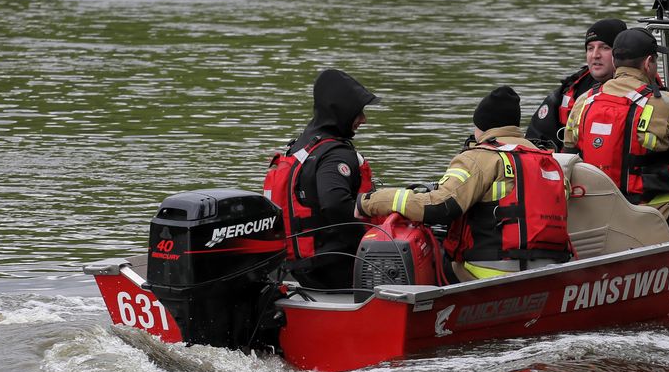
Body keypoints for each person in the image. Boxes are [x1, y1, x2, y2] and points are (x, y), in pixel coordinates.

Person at [359, 86, 571, 281]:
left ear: (482, 126)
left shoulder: (479, 157)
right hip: (548, 269)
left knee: (423, 250)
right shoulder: (548, 160)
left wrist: (370, 202)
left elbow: (439, 206)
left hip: (492, 269)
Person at [563, 28, 669, 240]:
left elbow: (568, 155)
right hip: (651, 212)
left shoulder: (584, 102)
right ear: (648, 63)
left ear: (615, 63)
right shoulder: (667, 104)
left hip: (596, 213)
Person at [263, 68, 378, 290]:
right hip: (333, 270)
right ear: (341, 111)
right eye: (358, 112)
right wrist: (369, 242)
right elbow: (334, 204)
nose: (363, 119)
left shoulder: (299, 146)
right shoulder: (336, 154)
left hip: (296, 266)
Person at [525, 18, 627, 151]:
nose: (595, 55)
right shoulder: (571, 90)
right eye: (590, 48)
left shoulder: (641, 89)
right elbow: (536, 138)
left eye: (605, 48)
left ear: (620, 53)